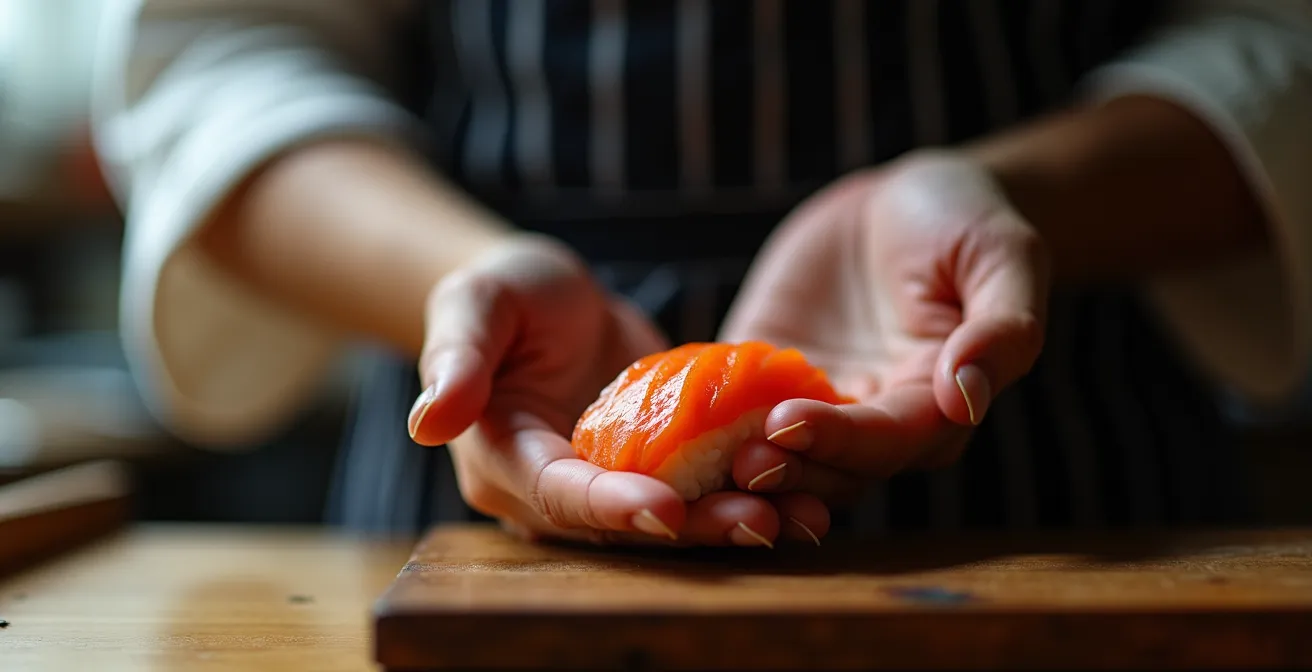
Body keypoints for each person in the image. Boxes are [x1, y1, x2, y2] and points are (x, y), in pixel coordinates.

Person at [91, 0, 1312, 546]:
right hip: (497, 441)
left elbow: (1278, 32)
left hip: (1052, 447)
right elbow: (220, 61)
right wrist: (458, 279)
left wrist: (1024, 200)